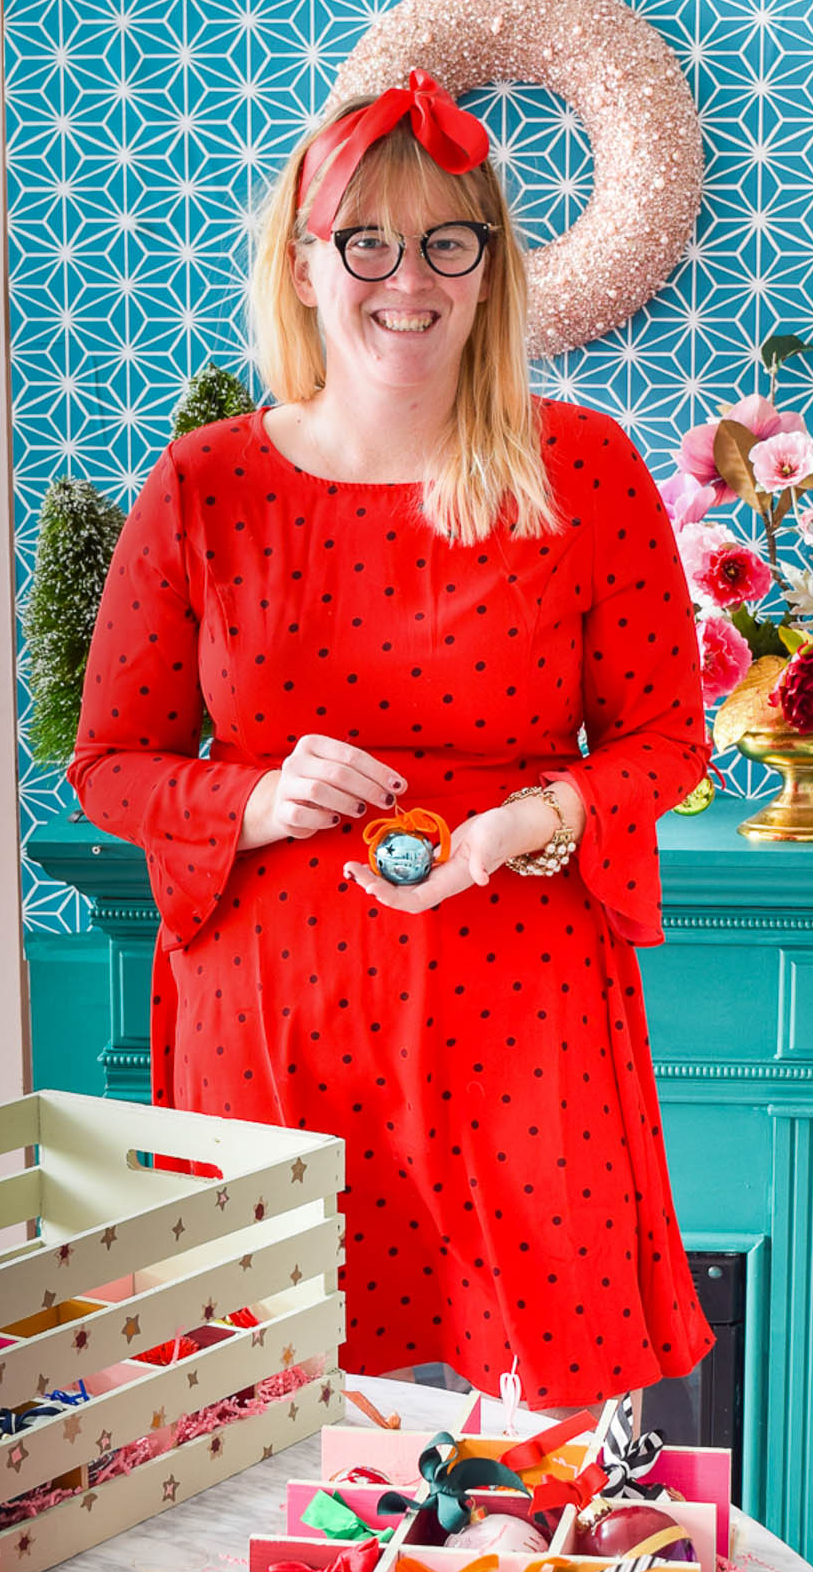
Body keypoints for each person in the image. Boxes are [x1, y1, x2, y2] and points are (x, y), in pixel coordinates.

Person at [67, 68, 715, 1408]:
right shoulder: (204, 487)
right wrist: (251, 799)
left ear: (490, 272)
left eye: (445, 242)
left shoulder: (584, 469)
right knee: (268, 1413)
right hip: (275, 1029)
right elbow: (112, 764)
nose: (404, 278)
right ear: (304, 266)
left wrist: (526, 822)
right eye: (365, 240)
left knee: (546, 1424)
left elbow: (666, 739)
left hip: (525, 1013)